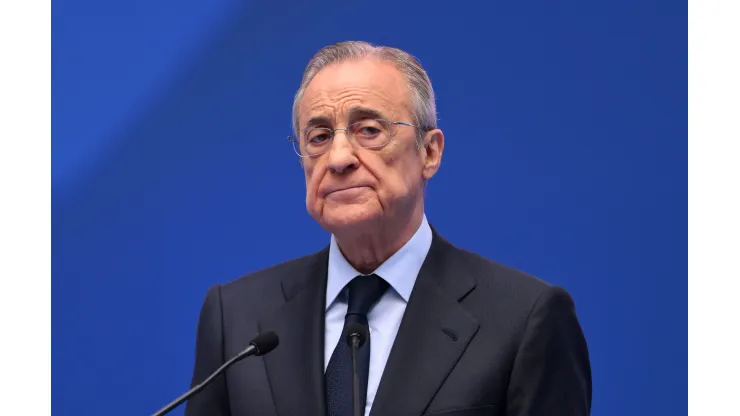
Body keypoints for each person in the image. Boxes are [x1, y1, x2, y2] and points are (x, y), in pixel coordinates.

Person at [185, 41, 591, 416]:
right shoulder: (236, 318)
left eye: (369, 131)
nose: (339, 157)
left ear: (429, 152)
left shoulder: (524, 320)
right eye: (320, 136)